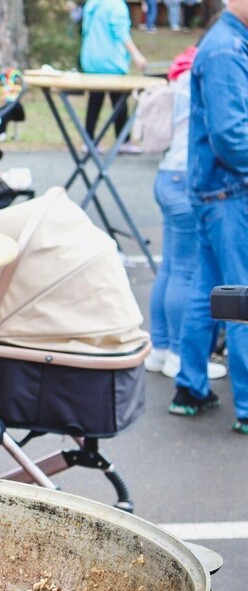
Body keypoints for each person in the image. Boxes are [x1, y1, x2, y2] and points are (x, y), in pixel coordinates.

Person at [171, 0, 248, 432]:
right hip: (228, 192)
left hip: (215, 190)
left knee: (210, 292)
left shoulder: (228, 43)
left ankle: (191, 387)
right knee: (241, 298)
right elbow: (231, 137)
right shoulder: (225, 50)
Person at [145, 46, 227, 382]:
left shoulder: (181, 73)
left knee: (170, 267)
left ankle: (160, 348)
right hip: (185, 178)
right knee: (187, 272)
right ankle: (181, 356)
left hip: (166, 176)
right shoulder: (212, 73)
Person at [80, 0, 148, 154]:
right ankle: (123, 140)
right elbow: (121, 33)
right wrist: (137, 55)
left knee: (94, 100)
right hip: (111, 61)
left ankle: (88, 140)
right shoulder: (116, 5)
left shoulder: (92, 3)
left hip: (91, 59)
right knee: (119, 101)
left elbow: (85, 30)